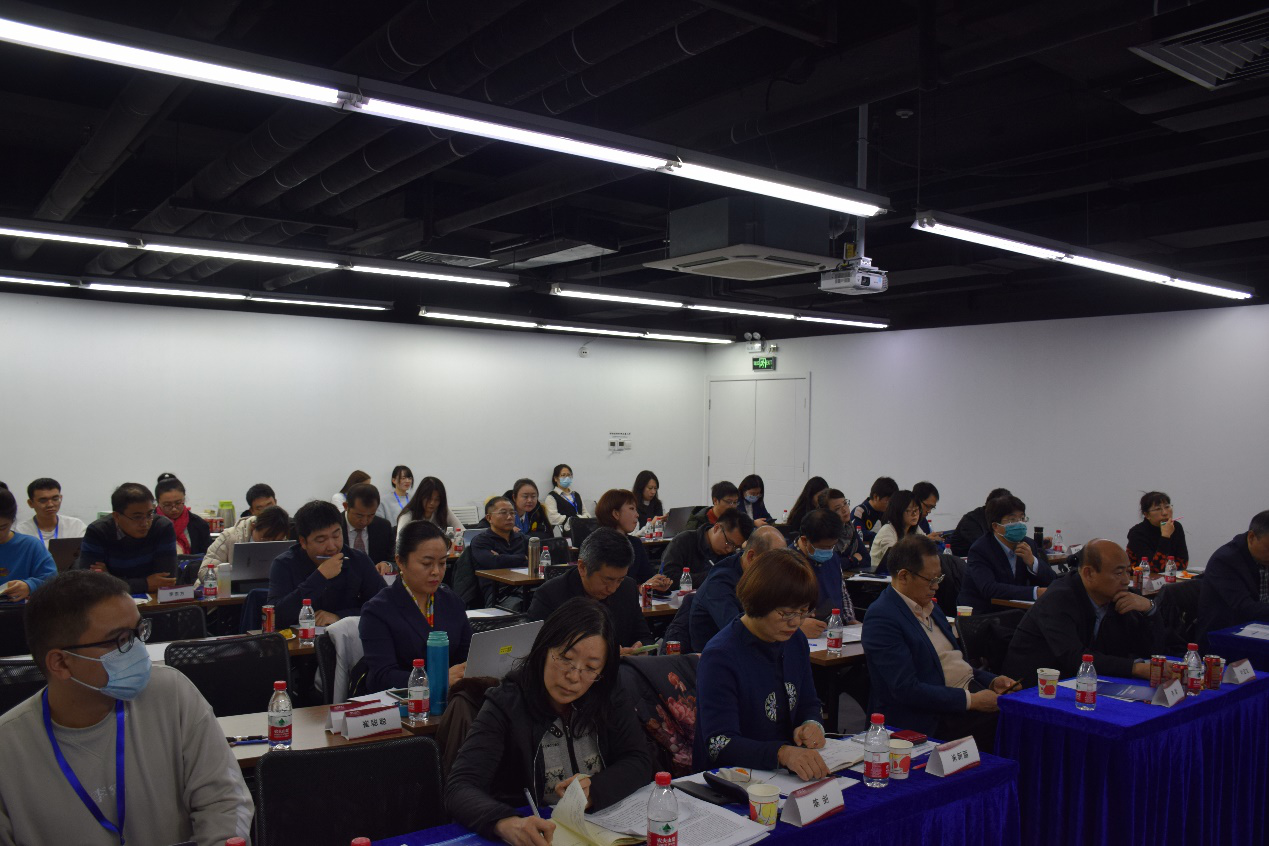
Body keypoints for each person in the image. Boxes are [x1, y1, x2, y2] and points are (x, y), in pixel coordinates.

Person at [0, 570, 253, 845]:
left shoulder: (171, 693)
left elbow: (225, 802)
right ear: (60, 663)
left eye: (139, 632)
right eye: (120, 640)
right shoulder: (8, 749)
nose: (137, 650)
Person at [445, 597, 653, 842]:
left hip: (598, 829)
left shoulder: (607, 692)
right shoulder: (507, 703)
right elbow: (460, 787)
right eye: (565, 658)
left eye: (590, 667)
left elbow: (638, 758)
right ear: (544, 649)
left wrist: (595, 790)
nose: (573, 676)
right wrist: (506, 823)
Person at [862, 535, 1014, 751]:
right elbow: (906, 689)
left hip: (964, 695)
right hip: (931, 715)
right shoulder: (883, 617)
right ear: (904, 576)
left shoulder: (931, 607)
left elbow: (954, 663)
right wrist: (971, 701)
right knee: (1012, 725)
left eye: (939, 578)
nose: (936, 587)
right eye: (930, 580)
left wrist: (992, 681)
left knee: (1023, 712)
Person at [694, 549, 826, 779]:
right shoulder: (721, 656)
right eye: (786, 613)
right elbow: (719, 743)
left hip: (786, 773)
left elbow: (808, 701)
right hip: (732, 778)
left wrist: (812, 724)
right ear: (759, 601)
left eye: (803, 612)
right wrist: (782, 754)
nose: (795, 622)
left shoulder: (796, 641)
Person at [1004, 538, 1164, 686]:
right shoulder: (1058, 599)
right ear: (1089, 573)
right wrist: (1134, 668)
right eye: (1118, 573)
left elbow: (1149, 650)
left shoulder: (1120, 598)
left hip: (1090, 683)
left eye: (1128, 572)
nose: (1125, 580)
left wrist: (1149, 609)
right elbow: (1074, 657)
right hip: (1037, 688)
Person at [359, 520, 472, 692]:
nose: (436, 572)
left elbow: (466, 656)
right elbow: (383, 676)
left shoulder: (451, 601)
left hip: (450, 696)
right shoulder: (378, 611)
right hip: (404, 700)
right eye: (426, 564)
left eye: (442, 563)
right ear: (401, 562)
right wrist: (436, 679)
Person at [528, 528, 653, 653]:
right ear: (582, 567)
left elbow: (645, 637)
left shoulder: (628, 588)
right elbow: (539, 651)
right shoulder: (549, 595)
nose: (612, 588)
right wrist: (608, 657)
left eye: (620, 580)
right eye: (607, 580)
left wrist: (641, 649)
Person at [267, 500, 386, 628]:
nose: (332, 547)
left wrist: (339, 617)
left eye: (336, 536)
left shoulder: (358, 560)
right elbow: (274, 617)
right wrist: (319, 577)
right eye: (321, 540)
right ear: (303, 542)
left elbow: (384, 605)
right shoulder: (284, 564)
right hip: (300, 639)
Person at [689, 525, 787, 651]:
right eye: (774, 563)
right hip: (719, 654)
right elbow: (738, 630)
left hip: (755, 648)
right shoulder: (720, 582)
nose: (779, 571)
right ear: (751, 557)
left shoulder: (762, 573)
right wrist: (788, 625)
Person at [958, 494, 1056, 614]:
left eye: (1022, 518)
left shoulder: (1028, 544)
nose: (1019, 524)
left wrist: (1032, 562)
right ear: (995, 526)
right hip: (984, 614)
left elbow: (1052, 581)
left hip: (1018, 612)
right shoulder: (980, 549)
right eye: (1012, 520)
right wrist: (1034, 592)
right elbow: (989, 588)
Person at [75, 483, 177, 594]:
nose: (145, 523)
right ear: (116, 516)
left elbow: (166, 581)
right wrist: (145, 584)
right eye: (137, 517)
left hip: (154, 600)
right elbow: (91, 584)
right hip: (111, 602)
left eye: (149, 514)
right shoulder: (98, 531)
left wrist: (111, 579)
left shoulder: (162, 527)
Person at [1196, 511, 1269, 642]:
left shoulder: (1263, 558)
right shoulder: (1224, 561)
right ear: (1251, 537)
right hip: (1226, 637)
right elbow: (1245, 608)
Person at [594, 489, 672, 592]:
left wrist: (658, 584)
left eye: (636, 509)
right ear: (616, 514)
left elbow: (647, 577)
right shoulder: (599, 544)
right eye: (632, 509)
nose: (637, 515)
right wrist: (641, 588)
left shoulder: (635, 543)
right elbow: (607, 587)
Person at [659, 509, 755, 589]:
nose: (729, 549)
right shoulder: (683, 541)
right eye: (729, 542)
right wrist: (714, 575)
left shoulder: (731, 555)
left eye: (735, 547)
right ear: (717, 528)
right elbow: (668, 577)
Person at [197, 504, 291, 583]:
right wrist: (236, 571)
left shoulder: (285, 543)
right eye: (264, 539)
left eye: (276, 541)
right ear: (254, 526)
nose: (268, 544)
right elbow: (204, 573)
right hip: (228, 595)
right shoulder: (229, 536)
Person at [792, 509, 854, 623]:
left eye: (832, 546)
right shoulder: (788, 562)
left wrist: (850, 619)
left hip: (835, 626)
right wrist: (800, 624)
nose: (829, 551)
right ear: (804, 540)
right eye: (823, 547)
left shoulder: (833, 557)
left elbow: (842, 593)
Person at [0, 485, 56, 601]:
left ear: (12, 520)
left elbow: (53, 581)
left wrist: (30, 585)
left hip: (18, 609)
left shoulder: (30, 546)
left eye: (2, 527)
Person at [1126, 491, 1189, 574]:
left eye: (1167, 507)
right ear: (1147, 515)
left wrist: (1169, 567)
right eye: (1158, 509)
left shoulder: (1176, 527)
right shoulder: (1137, 533)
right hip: (1141, 579)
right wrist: (1165, 536)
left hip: (1170, 577)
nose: (1165, 513)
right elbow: (1154, 569)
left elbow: (1183, 562)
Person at [15, 478, 86, 548]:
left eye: (55, 499)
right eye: (43, 500)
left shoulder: (76, 526)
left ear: (61, 498)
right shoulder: (20, 532)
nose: (50, 505)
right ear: (30, 503)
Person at [341, 483, 396, 573]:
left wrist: (387, 565)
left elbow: (394, 560)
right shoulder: (333, 526)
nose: (364, 521)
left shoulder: (383, 527)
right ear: (346, 506)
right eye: (359, 515)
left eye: (371, 515)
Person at [155, 473, 211, 556]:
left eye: (178, 503)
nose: (174, 509)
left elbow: (208, 556)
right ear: (158, 502)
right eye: (167, 505)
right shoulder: (150, 524)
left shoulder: (199, 524)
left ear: (184, 498)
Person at [869, 490, 924, 573]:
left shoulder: (915, 529)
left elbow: (925, 551)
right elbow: (895, 558)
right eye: (909, 510)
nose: (915, 514)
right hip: (882, 576)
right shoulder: (887, 530)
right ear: (898, 512)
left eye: (916, 510)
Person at [471, 497, 529, 569]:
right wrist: (523, 557)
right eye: (503, 513)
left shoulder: (523, 539)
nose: (509, 517)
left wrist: (501, 557)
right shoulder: (481, 541)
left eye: (512, 513)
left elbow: (536, 561)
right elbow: (493, 563)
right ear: (489, 518)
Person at [397, 476, 464, 538]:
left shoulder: (443, 511)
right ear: (420, 497)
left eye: (437, 499)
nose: (432, 503)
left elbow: (462, 531)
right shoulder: (408, 515)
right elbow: (399, 542)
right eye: (429, 498)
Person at [951, 488, 1012, 557]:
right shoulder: (971, 520)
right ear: (990, 506)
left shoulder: (1002, 520)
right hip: (963, 559)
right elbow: (984, 547)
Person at [817, 488, 866, 568]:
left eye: (845, 503)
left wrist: (847, 561)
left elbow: (867, 559)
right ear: (827, 513)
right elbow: (830, 564)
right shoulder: (824, 533)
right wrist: (854, 559)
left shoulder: (849, 527)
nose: (844, 510)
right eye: (837, 508)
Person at [542, 464, 591, 533]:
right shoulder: (551, 497)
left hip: (582, 529)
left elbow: (587, 514)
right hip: (565, 532)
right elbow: (552, 518)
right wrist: (572, 520)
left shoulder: (576, 495)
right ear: (555, 478)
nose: (567, 478)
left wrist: (578, 519)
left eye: (569, 475)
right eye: (563, 475)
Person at [851, 476, 897, 543]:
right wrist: (883, 536)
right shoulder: (860, 512)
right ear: (875, 497)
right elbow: (858, 534)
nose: (890, 505)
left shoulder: (885, 512)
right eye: (888, 501)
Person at [912, 481, 946, 545]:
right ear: (916, 500)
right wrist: (925, 540)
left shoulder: (923, 521)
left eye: (932, 507)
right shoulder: (905, 522)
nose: (929, 511)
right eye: (928, 506)